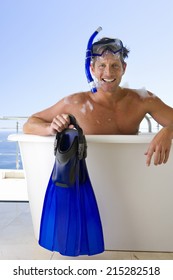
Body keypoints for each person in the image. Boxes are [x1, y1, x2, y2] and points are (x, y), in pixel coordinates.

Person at [23, 37, 173, 166]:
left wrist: (168, 131)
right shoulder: (76, 103)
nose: (108, 73)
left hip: (130, 178)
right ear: (92, 69)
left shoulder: (142, 100)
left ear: (124, 68)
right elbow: (29, 124)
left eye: (115, 65)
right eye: (102, 66)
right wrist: (50, 128)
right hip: (92, 180)